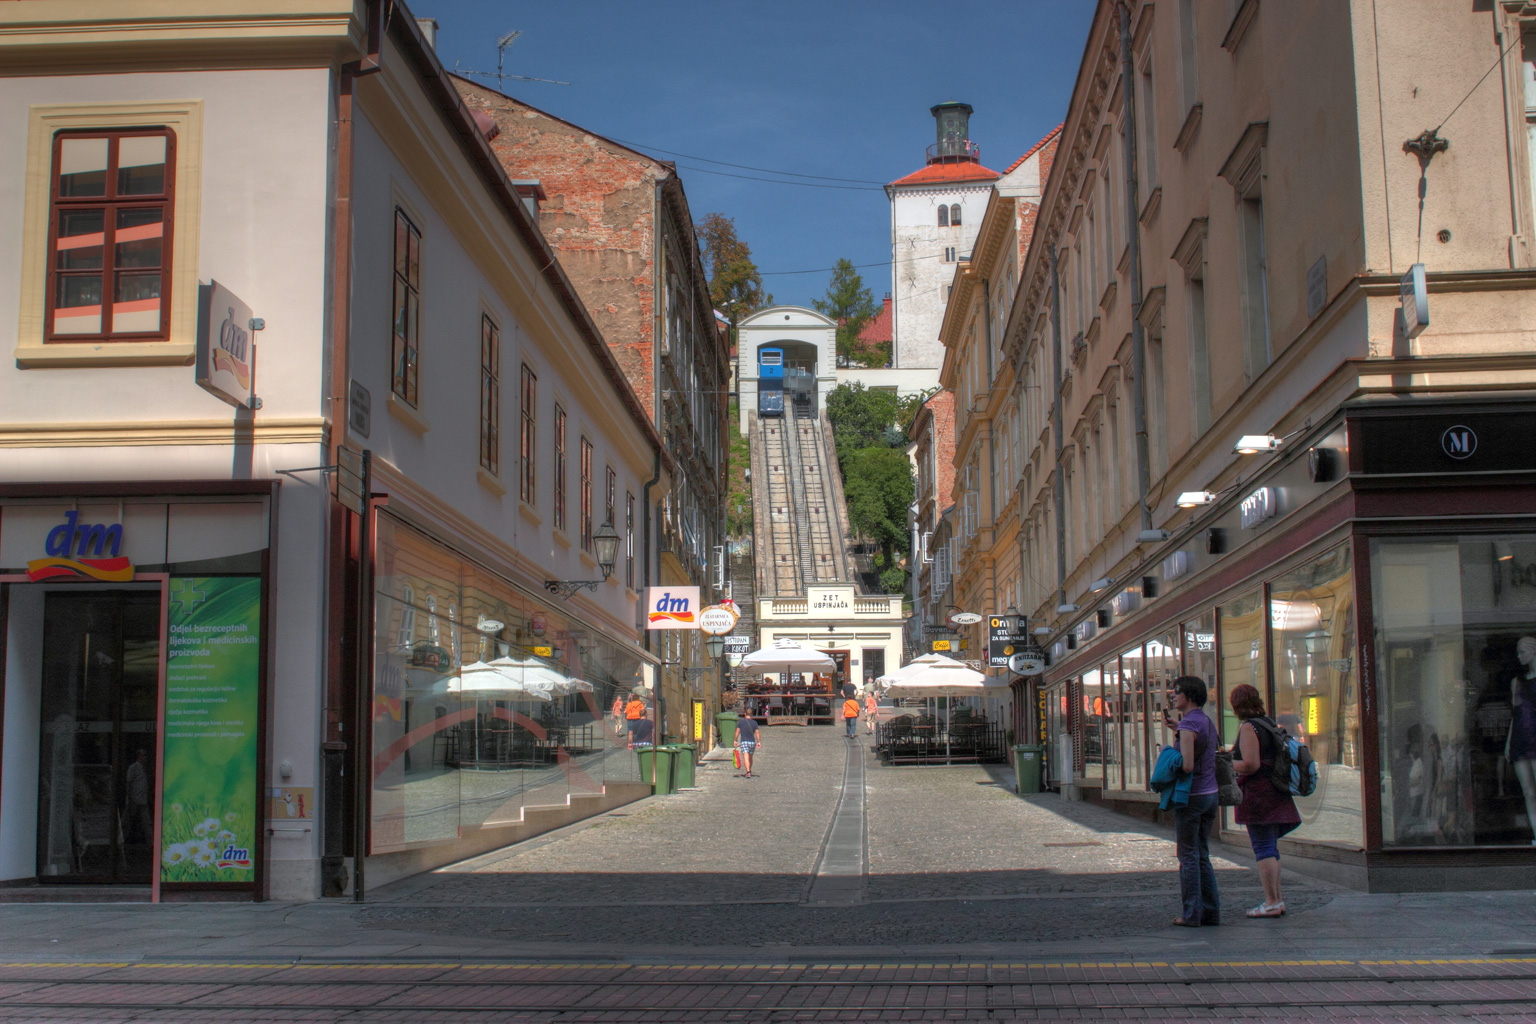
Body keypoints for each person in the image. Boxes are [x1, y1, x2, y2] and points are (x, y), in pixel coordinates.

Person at [1228, 683, 1300, 918]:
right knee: (1271, 848)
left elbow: (1251, 764)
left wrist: (1226, 763)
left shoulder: (1250, 727)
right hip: (1274, 792)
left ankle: (1270, 901)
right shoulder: (1267, 723)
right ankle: (1277, 900)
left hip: (1259, 796)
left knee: (1263, 848)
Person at [1162, 674, 1219, 927]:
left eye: (1177, 691)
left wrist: (1166, 755)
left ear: (1190, 696)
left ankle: (1191, 914)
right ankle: (1211, 911)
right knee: (1202, 853)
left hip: (1191, 797)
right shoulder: (1205, 721)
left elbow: (1186, 765)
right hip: (1210, 794)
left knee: (1187, 855)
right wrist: (1179, 731)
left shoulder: (1188, 725)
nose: (1173, 695)